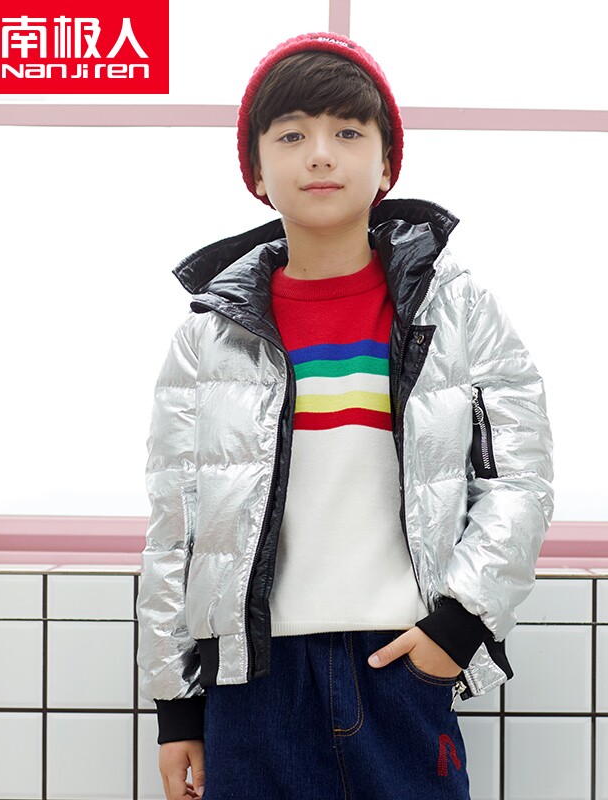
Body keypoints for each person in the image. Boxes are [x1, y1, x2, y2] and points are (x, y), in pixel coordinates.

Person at [137, 31, 554, 800]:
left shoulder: (457, 309)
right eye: (292, 135)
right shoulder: (207, 337)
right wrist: (176, 707)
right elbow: (176, 530)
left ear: (387, 164)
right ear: (256, 170)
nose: (321, 155)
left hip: (402, 668)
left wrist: (458, 627)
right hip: (251, 683)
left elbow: (519, 483)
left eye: (349, 133)